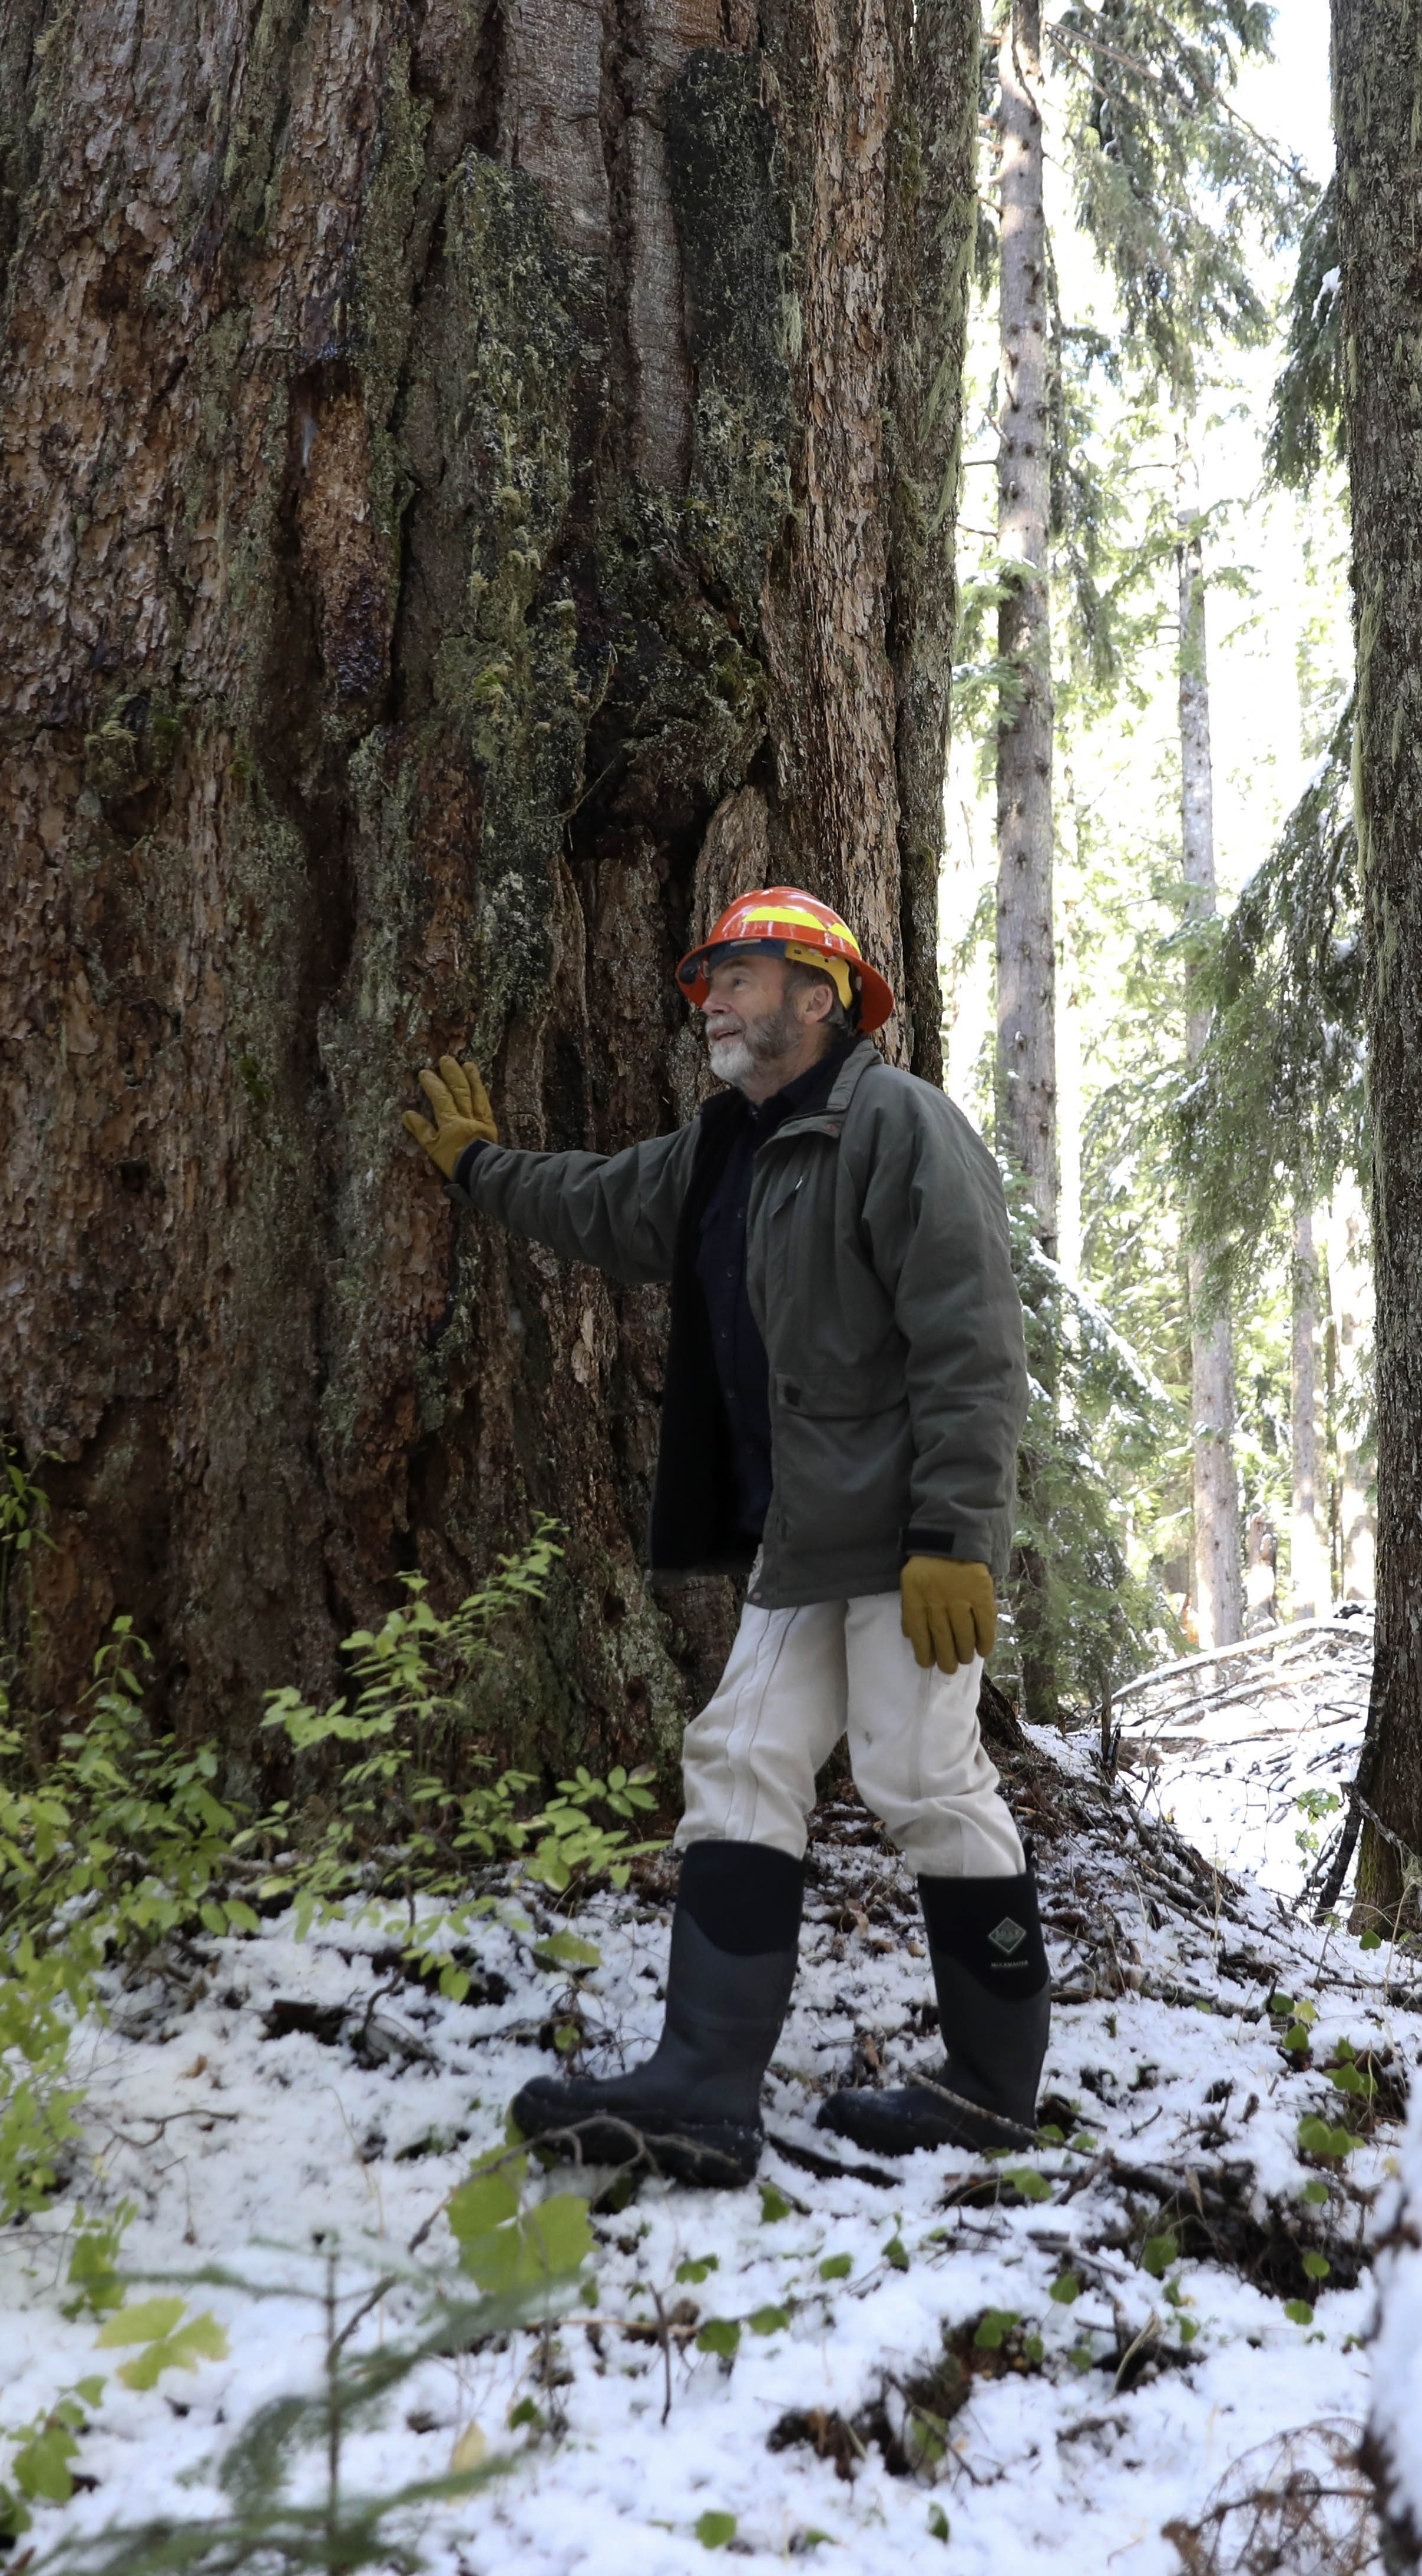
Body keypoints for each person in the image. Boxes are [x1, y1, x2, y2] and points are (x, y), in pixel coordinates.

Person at [400, 888, 1044, 2187]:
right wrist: (478, 1167)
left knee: (922, 1780)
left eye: (740, 976)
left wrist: (955, 1535)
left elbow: (973, 1340)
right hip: (802, 1542)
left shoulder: (898, 1126)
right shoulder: (722, 1150)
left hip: (903, 1541)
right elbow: (592, 1200)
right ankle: (703, 2086)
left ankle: (989, 2090)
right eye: (709, 982)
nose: (714, 1001)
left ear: (821, 994)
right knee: (741, 1754)